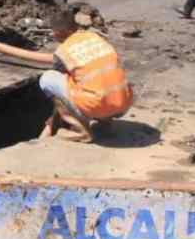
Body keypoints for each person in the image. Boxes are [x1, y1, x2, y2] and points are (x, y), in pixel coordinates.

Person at [32, 9, 133, 143]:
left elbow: (61, 87)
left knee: (47, 79)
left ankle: (81, 131)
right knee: (98, 81)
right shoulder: (95, 37)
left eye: (54, 32)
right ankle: (106, 124)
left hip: (97, 105)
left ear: (59, 33)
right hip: (123, 103)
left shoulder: (64, 51)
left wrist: (53, 121)